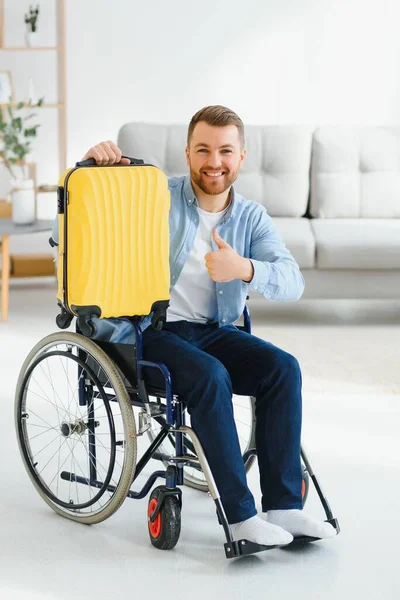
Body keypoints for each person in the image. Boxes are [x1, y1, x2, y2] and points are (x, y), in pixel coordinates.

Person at [53, 105, 336, 547]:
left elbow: (292, 282)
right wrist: (90, 169)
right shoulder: (153, 198)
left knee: (283, 368)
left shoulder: (251, 218)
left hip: (215, 331)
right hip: (147, 332)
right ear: (187, 154)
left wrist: (243, 268)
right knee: (209, 375)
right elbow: (79, 232)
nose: (214, 162)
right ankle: (242, 517)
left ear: (242, 157)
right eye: (203, 150)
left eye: (225, 151)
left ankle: (284, 507)